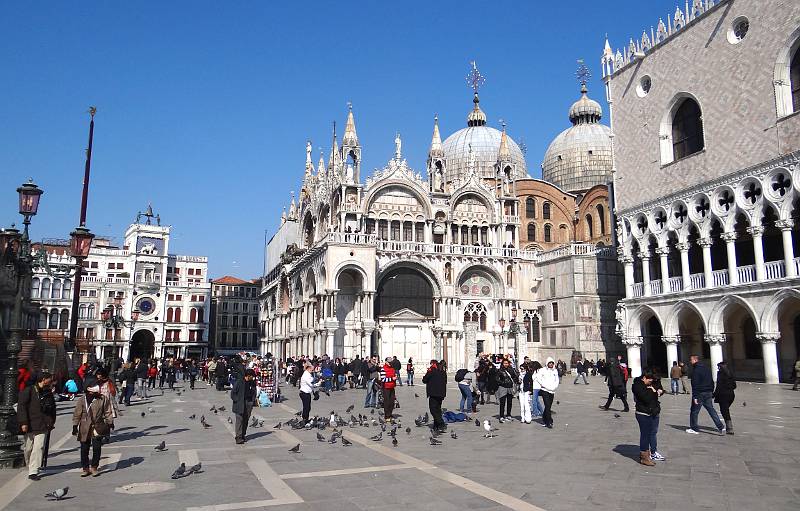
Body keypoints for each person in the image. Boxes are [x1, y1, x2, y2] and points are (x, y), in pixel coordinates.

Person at [17, 372, 56, 480]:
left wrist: (52, 421)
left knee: (39, 447)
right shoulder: (29, 390)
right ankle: (30, 464)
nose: (51, 381)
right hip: (30, 423)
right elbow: (21, 406)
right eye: (49, 379)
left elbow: (53, 407)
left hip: (43, 424)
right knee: (28, 448)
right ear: (43, 379)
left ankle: (33, 471)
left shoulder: (48, 392)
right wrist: (23, 422)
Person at [72, 384, 114, 477]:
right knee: (84, 448)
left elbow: (107, 411)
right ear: (88, 390)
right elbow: (77, 413)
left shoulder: (102, 398)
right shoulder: (82, 400)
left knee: (97, 448)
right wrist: (75, 426)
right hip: (84, 426)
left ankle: (94, 467)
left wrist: (110, 422)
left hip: (97, 425)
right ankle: (85, 468)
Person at [686, 354, 725, 435]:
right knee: (711, 410)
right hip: (708, 392)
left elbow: (695, 384)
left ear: (695, 360)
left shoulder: (696, 370)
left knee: (694, 411)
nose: (690, 361)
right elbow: (712, 381)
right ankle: (721, 427)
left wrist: (695, 396)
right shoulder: (707, 369)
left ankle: (694, 428)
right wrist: (711, 390)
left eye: (691, 360)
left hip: (700, 393)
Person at [632, 370, 663, 466]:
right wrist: (653, 391)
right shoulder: (637, 385)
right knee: (645, 434)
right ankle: (644, 456)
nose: (651, 383)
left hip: (652, 411)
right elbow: (646, 398)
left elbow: (659, 390)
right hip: (643, 413)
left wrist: (656, 391)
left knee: (651, 432)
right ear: (644, 378)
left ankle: (650, 453)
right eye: (649, 381)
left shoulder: (650, 383)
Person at [232, 368, 257, 444]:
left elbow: (254, 391)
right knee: (239, 420)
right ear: (248, 376)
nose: (253, 378)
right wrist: (238, 400)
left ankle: (243, 435)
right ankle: (238, 437)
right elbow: (233, 393)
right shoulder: (239, 382)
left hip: (248, 403)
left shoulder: (252, 382)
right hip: (240, 403)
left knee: (246, 420)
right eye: (252, 376)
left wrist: (252, 401)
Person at [534, 357, 559, 428]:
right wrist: (543, 385)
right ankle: (549, 422)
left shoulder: (555, 371)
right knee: (547, 405)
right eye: (549, 363)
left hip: (552, 390)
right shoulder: (542, 370)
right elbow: (538, 377)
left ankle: (544, 419)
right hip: (545, 390)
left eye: (552, 363)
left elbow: (556, 380)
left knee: (548, 406)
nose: (551, 364)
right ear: (547, 363)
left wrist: (554, 386)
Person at [422, 359, 447, 433]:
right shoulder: (443, 371)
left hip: (433, 393)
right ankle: (436, 426)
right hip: (441, 393)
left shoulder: (432, 370)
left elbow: (425, 380)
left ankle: (441, 424)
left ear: (433, 364)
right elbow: (445, 381)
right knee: (438, 409)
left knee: (433, 409)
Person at [713, 361, 736, 435]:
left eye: (719, 367)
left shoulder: (720, 374)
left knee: (724, 411)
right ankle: (729, 427)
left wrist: (714, 394)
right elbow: (734, 386)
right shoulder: (730, 373)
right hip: (731, 395)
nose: (718, 368)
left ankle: (729, 428)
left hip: (723, 395)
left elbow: (719, 386)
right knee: (725, 410)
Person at [495, 358, 519, 422]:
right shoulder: (500, 370)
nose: (506, 364)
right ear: (502, 364)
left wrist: (515, 379)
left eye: (507, 363)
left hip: (510, 387)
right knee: (502, 402)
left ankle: (509, 415)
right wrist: (502, 383)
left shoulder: (511, 370)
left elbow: (514, 377)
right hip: (503, 387)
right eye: (505, 363)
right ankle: (501, 416)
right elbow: (497, 379)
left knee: (509, 402)